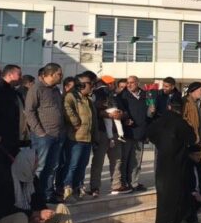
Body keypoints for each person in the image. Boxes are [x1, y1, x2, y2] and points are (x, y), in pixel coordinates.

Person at [147, 101, 196, 223]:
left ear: (169, 107)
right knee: (175, 197)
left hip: (162, 164)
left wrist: (160, 143)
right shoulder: (181, 123)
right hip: (177, 164)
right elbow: (192, 139)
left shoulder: (159, 122)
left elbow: (149, 133)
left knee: (164, 197)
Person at [24, 62, 65, 203]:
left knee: (52, 166)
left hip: (57, 134)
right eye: (59, 74)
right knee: (40, 167)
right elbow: (29, 111)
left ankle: (47, 194)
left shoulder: (55, 90)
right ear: (51, 74)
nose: (61, 76)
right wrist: (40, 131)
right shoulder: (36, 88)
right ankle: (34, 197)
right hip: (43, 136)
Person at [61, 75, 97, 203]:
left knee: (82, 166)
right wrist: (76, 122)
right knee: (72, 165)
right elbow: (66, 109)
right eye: (90, 84)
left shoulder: (87, 99)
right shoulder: (71, 96)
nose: (92, 86)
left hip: (87, 138)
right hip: (75, 138)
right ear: (82, 85)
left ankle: (79, 189)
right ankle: (67, 191)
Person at [91, 76, 126, 196]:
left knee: (116, 159)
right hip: (102, 131)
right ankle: (95, 187)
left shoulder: (115, 95)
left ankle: (116, 185)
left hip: (115, 132)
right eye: (112, 83)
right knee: (99, 160)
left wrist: (120, 114)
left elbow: (123, 111)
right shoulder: (96, 94)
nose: (112, 86)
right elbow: (94, 111)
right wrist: (108, 115)